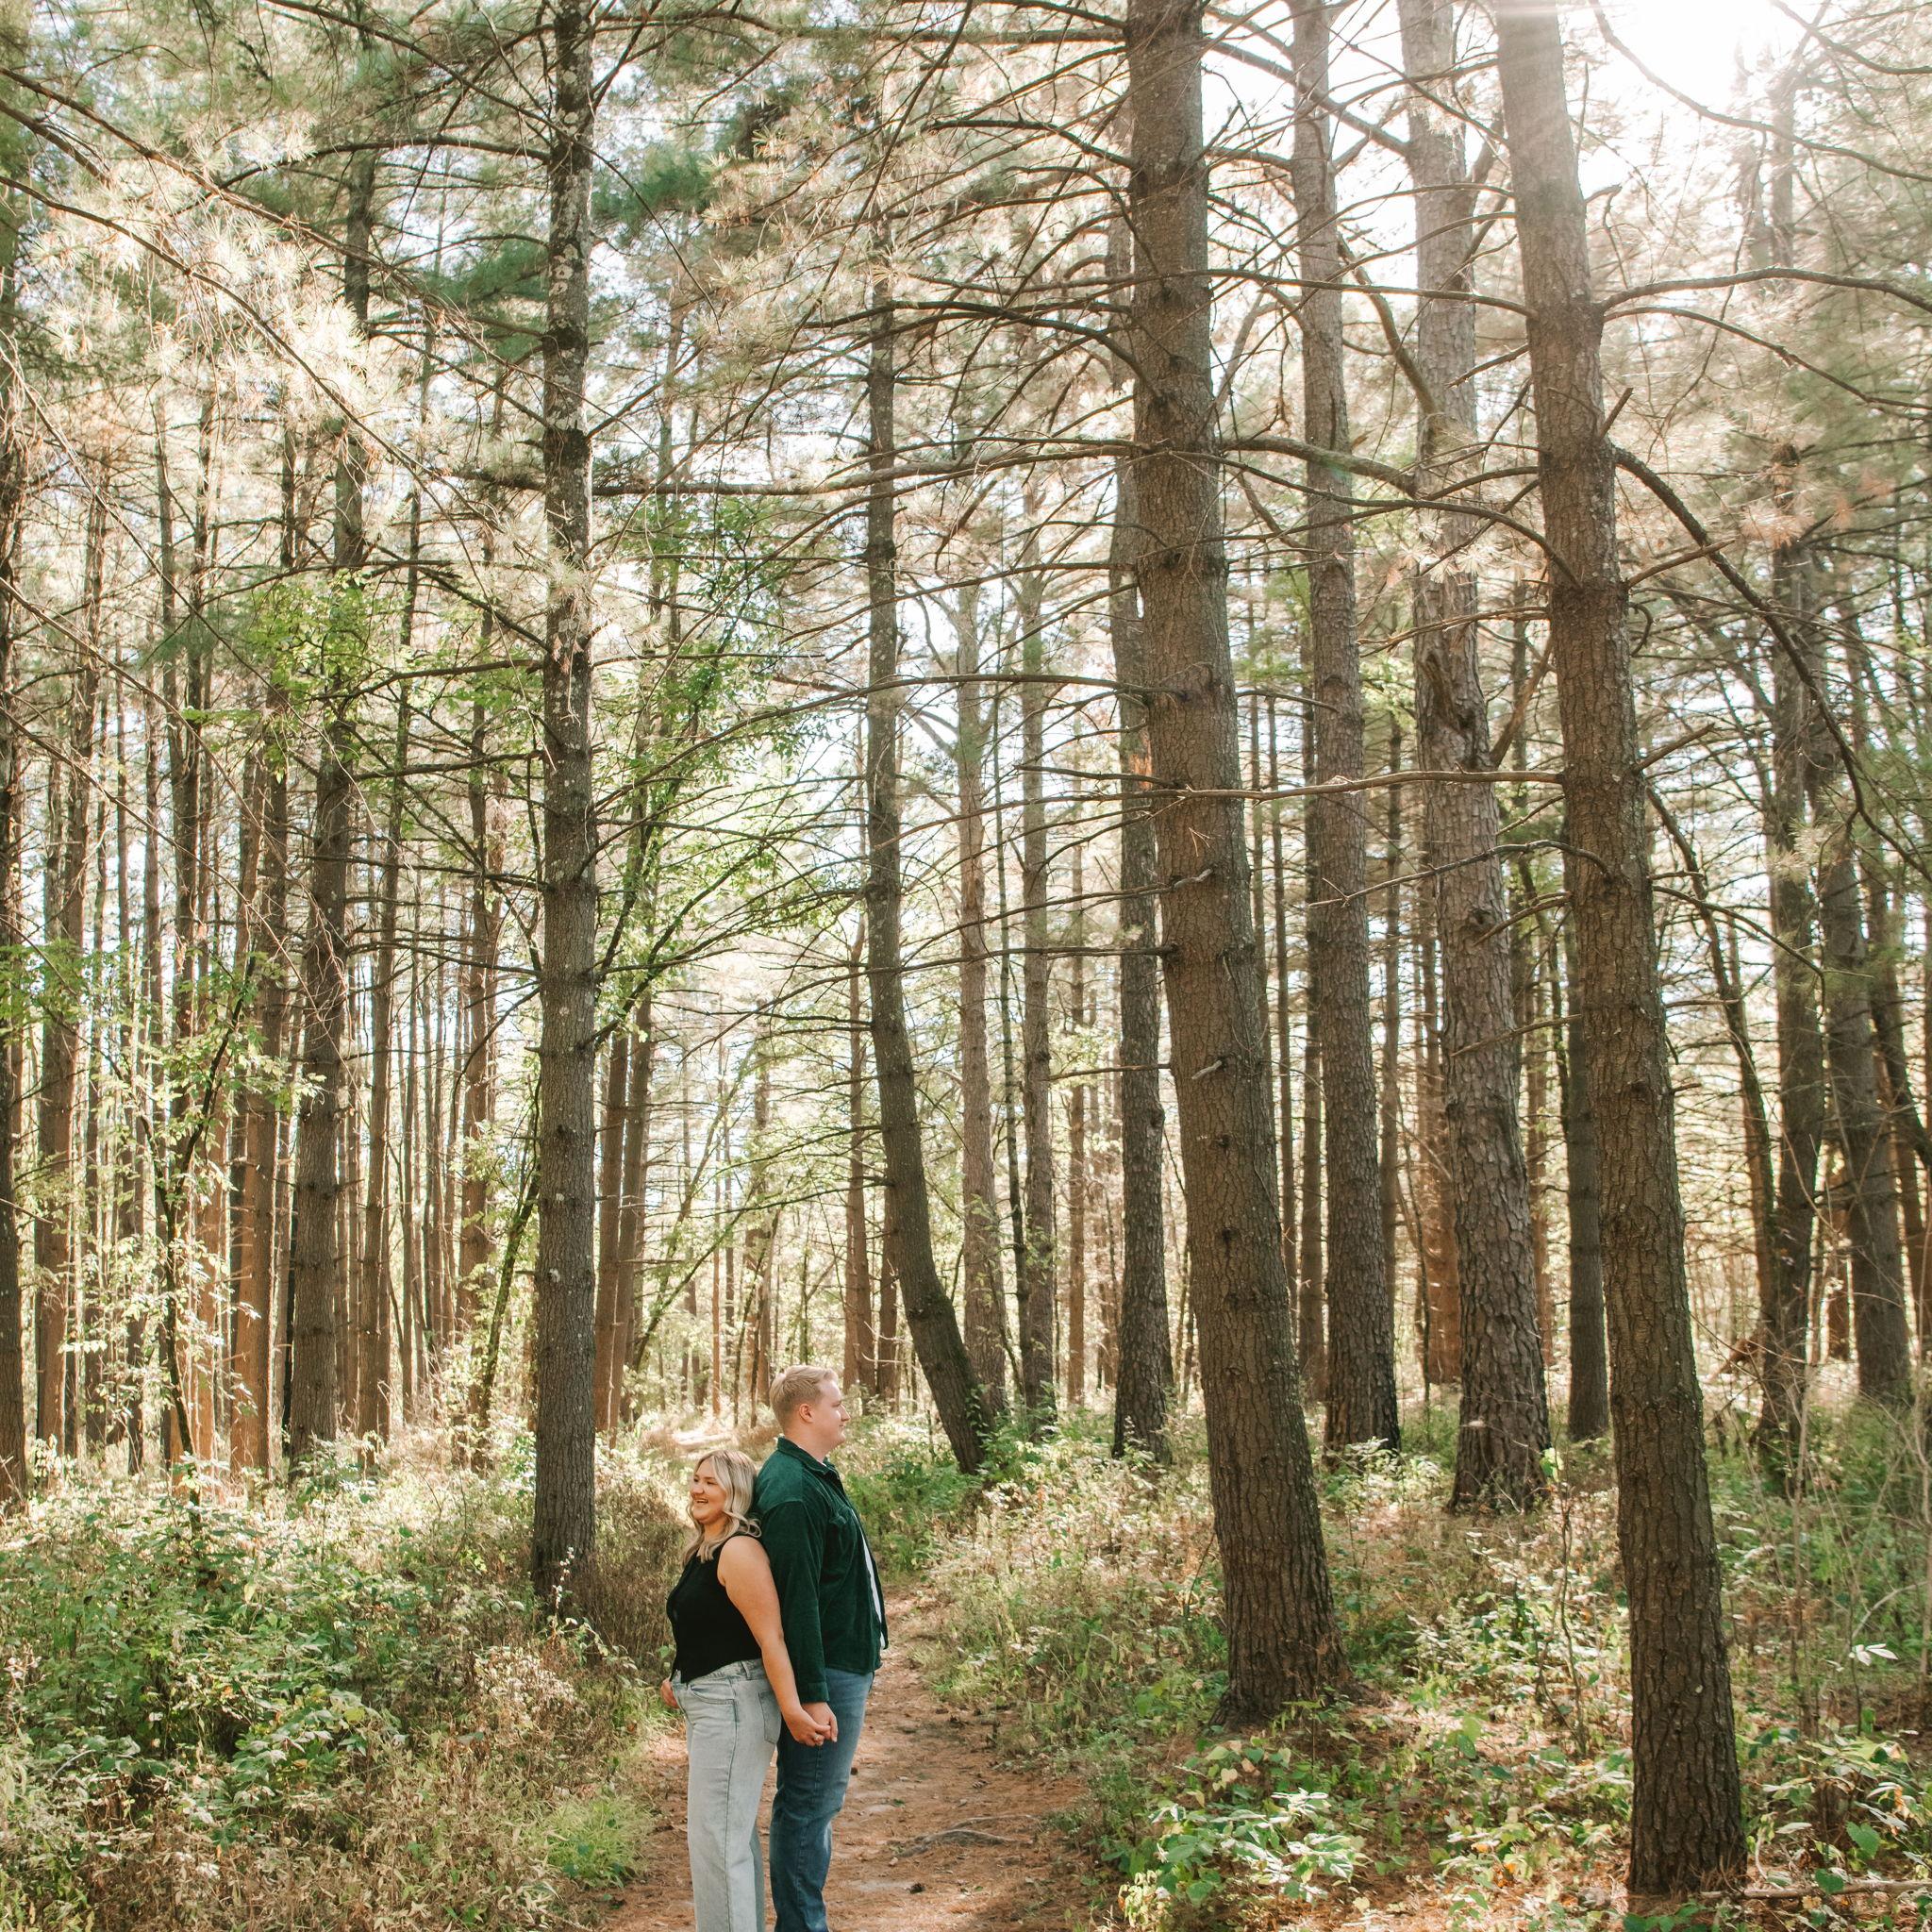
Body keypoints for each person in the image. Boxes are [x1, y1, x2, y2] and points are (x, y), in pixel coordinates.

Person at [661, 1447, 835, 1932]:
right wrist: (678, 1677)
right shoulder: (706, 1548)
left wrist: (793, 1708)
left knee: (718, 1843)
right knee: (726, 1839)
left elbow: (770, 1637)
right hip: (712, 1704)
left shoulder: (739, 1550)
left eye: (711, 1483)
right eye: (696, 1479)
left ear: (735, 1491)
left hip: (734, 1706)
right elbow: (711, 1628)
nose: (697, 1489)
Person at [752, 1366, 887, 1932]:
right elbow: (796, 1602)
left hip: (843, 1663)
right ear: (806, 1412)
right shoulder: (792, 1490)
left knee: (817, 1804)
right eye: (837, 1404)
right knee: (809, 1804)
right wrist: (811, 1693)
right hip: (827, 1671)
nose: (845, 1412)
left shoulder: (813, 1474)